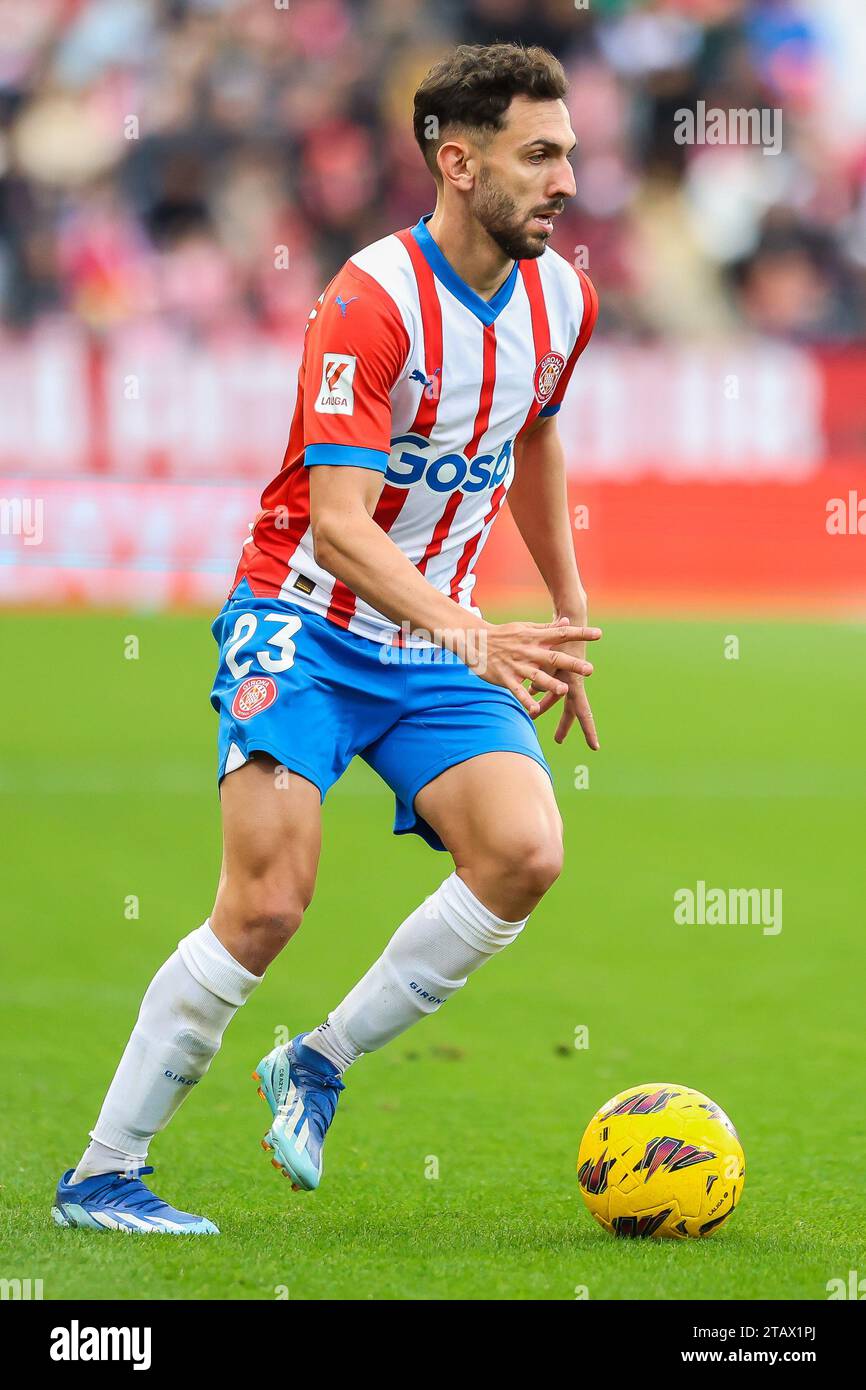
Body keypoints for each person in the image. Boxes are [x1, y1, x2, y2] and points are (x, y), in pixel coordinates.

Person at [53, 41, 601, 1234]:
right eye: (539, 154)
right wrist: (471, 628)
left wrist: (561, 608)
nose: (566, 178)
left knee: (522, 851)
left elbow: (534, 436)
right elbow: (341, 527)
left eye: (568, 151)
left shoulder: (564, 295)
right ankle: (103, 1169)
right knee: (266, 903)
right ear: (456, 163)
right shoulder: (369, 303)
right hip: (303, 620)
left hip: (435, 641)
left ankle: (319, 1062)